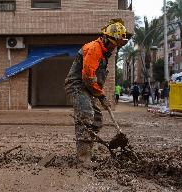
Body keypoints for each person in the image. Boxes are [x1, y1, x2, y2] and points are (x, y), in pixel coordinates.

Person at [64, 18, 128, 167]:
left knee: (97, 119)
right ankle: (83, 158)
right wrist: (101, 95)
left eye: (117, 45)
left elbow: (94, 80)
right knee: (86, 114)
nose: (115, 48)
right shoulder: (94, 49)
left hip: (87, 88)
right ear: (106, 37)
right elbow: (87, 78)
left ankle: (87, 150)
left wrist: (100, 95)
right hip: (77, 85)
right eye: (114, 44)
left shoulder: (104, 53)